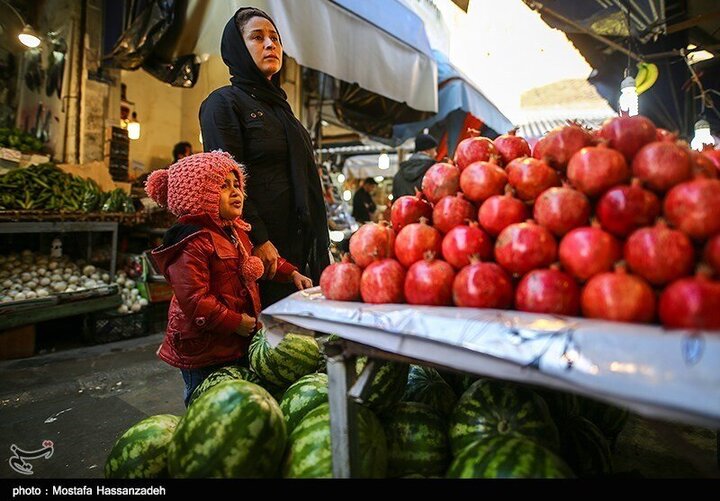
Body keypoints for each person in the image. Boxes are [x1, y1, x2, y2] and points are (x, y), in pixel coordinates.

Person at [144, 151, 313, 407]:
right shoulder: (191, 243)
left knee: (232, 402)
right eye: (223, 186)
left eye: (237, 185)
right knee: (204, 401)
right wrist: (234, 322)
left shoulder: (235, 230)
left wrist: (291, 273)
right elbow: (195, 301)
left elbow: (256, 261)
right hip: (204, 349)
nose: (236, 192)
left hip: (233, 341)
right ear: (199, 196)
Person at [199, 7, 329, 308]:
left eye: (275, 38)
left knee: (295, 343)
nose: (271, 45)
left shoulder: (283, 112)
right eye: (257, 38)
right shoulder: (223, 104)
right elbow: (226, 181)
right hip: (259, 253)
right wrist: (258, 238)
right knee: (261, 342)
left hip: (295, 248)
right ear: (237, 48)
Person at [392, 133, 439, 199]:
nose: (436, 154)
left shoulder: (399, 174)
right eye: (434, 150)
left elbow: (395, 202)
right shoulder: (434, 171)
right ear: (428, 150)